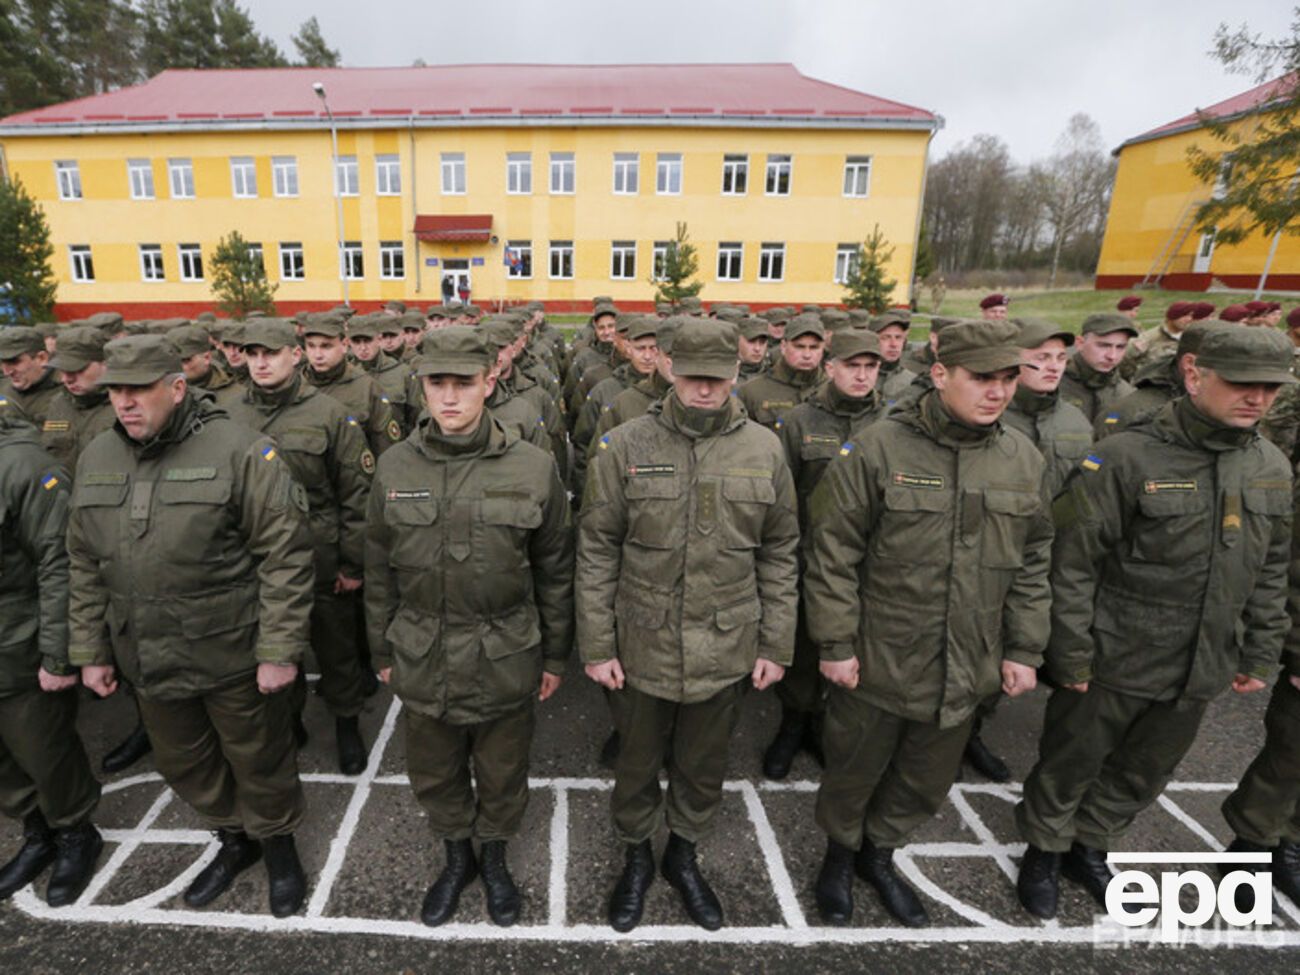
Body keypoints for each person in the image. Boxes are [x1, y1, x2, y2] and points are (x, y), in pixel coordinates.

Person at [1015, 327, 1295, 921]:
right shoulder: (1125, 455)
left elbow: (1270, 567)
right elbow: (1071, 562)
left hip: (1202, 658)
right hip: (1117, 648)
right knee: (1071, 759)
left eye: (1271, 388)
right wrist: (1069, 653)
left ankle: (1089, 843)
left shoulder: (1270, 464)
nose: (1258, 399)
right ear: (1195, 376)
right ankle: (1044, 847)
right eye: (1243, 385)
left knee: (1145, 769)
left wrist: (1260, 651)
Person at [805, 320, 1050, 928]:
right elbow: (832, 550)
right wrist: (835, 642)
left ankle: (879, 855)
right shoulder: (880, 447)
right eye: (981, 378)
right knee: (854, 767)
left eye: (1007, 379)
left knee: (924, 777)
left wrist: (1024, 646)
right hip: (882, 650)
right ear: (941, 375)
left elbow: (1034, 559)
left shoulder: (1022, 457)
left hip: (970, 657)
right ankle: (838, 857)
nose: (996, 392)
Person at [68, 335, 315, 917]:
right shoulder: (97, 455)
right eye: (116, 391)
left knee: (259, 758)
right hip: (148, 655)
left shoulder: (241, 450)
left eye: (138, 390)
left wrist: (279, 650)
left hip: (230, 650)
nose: (125, 403)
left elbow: (284, 555)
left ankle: (278, 847)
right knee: (184, 761)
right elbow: (82, 559)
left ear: (176, 389)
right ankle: (236, 840)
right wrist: (89, 648)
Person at [578, 319, 798, 932]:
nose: (705, 390)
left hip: (725, 642)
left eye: (718, 379)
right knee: (638, 763)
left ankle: (682, 855)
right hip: (642, 640)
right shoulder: (624, 444)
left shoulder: (764, 448)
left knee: (703, 766)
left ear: (736, 376)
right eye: (694, 376)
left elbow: (780, 550)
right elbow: (597, 548)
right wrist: (597, 645)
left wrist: (776, 642)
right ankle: (636, 859)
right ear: (670, 369)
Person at [366, 326, 572, 928]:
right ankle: (457, 856)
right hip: (422, 649)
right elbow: (377, 567)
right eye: (438, 384)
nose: (450, 398)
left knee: (504, 767)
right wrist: (382, 647)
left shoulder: (533, 466)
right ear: (421, 388)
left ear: (491, 382)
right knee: (435, 768)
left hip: (506, 649)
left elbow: (556, 567)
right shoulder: (394, 465)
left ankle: (497, 855)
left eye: (464, 383)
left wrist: (556, 657)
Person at [227, 319, 374, 776]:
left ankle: (347, 723)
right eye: (252, 354)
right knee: (269, 644)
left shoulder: (329, 414)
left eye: (270, 353)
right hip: (254, 561)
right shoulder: (227, 414)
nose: (261, 362)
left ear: (295, 355)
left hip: (319, 557)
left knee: (336, 648)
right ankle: (288, 721)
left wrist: (352, 562)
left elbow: (356, 494)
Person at [763, 328, 886, 781]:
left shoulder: (890, 424)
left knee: (856, 645)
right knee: (803, 644)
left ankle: (827, 726)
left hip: (871, 561)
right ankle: (793, 724)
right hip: (809, 555)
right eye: (852, 366)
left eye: (870, 367)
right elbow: (783, 496)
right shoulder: (799, 421)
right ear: (829, 368)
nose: (861, 375)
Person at [0, 401, 103, 906]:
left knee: (44, 749)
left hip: (17, 644)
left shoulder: (25, 467)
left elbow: (60, 566)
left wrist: (59, 655)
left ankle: (75, 833)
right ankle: (36, 832)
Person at [301, 315, 403, 459]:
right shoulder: (297, 386)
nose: (317, 355)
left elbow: (386, 450)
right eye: (311, 346)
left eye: (326, 346)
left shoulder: (366, 387)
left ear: (344, 345)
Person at [41, 326, 117, 474]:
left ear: (105, 364)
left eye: (77, 370)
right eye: (62, 370)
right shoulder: (58, 403)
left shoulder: (125, 405)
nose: (66, 379)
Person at [736, 314, 827, 430]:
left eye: (814, 347)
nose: (807, 355)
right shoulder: (752, 392)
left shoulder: (833, 390)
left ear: (823, 349)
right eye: (799, 347)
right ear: (783, 347)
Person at [1058, 313, 1137, 423]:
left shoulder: (1126, 394)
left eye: (1120, 347)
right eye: (1103, 345)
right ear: (1080, 343)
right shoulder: (1051, 383)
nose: (1112, 356)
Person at [0, 327, 63, 427]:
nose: (7, 372)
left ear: (42, 358)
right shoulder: (2, 388)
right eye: (2, 362)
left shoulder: (68, 393)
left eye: (13, 361)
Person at [1121, 302, 1193, 380]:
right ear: (1171, 317)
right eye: (1184, 315)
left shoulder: (1191, 338)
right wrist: (1136, 380)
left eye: (1190, 315)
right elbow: (1125, 359)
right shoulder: (1148, 338)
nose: (1189, 319)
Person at [868, 313, 916, 405]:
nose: (894, 344)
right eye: (885, 338)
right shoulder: (858, 378)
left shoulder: (912, 381)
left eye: (898, 337)